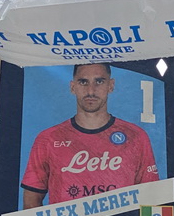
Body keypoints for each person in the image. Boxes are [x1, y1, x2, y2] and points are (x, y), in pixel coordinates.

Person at [21, 63, 160, 208]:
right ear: (73, 87)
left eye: (99, 81)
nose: (91, 91)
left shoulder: (136, 137)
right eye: (83, 82)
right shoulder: (48, 139)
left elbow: (152, 198)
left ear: (111, 85)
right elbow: (31, 200)